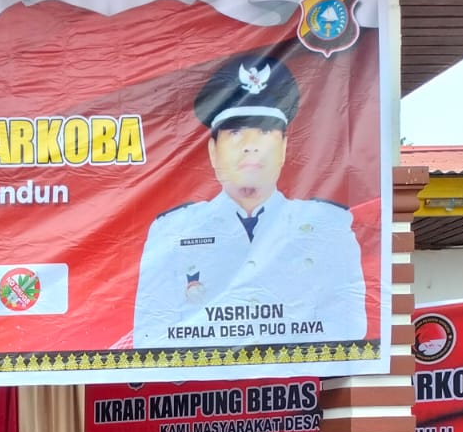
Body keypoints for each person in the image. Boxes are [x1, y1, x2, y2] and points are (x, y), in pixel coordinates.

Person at [132, 48, 365, 350]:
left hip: (296, 379)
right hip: (205, 379)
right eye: (236, 132)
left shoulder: (326, 225)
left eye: (265, 131)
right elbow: (151, 336)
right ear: (213, 151)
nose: (251, 146)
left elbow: (347, 328)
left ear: (284, 147)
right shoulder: (173, 230)